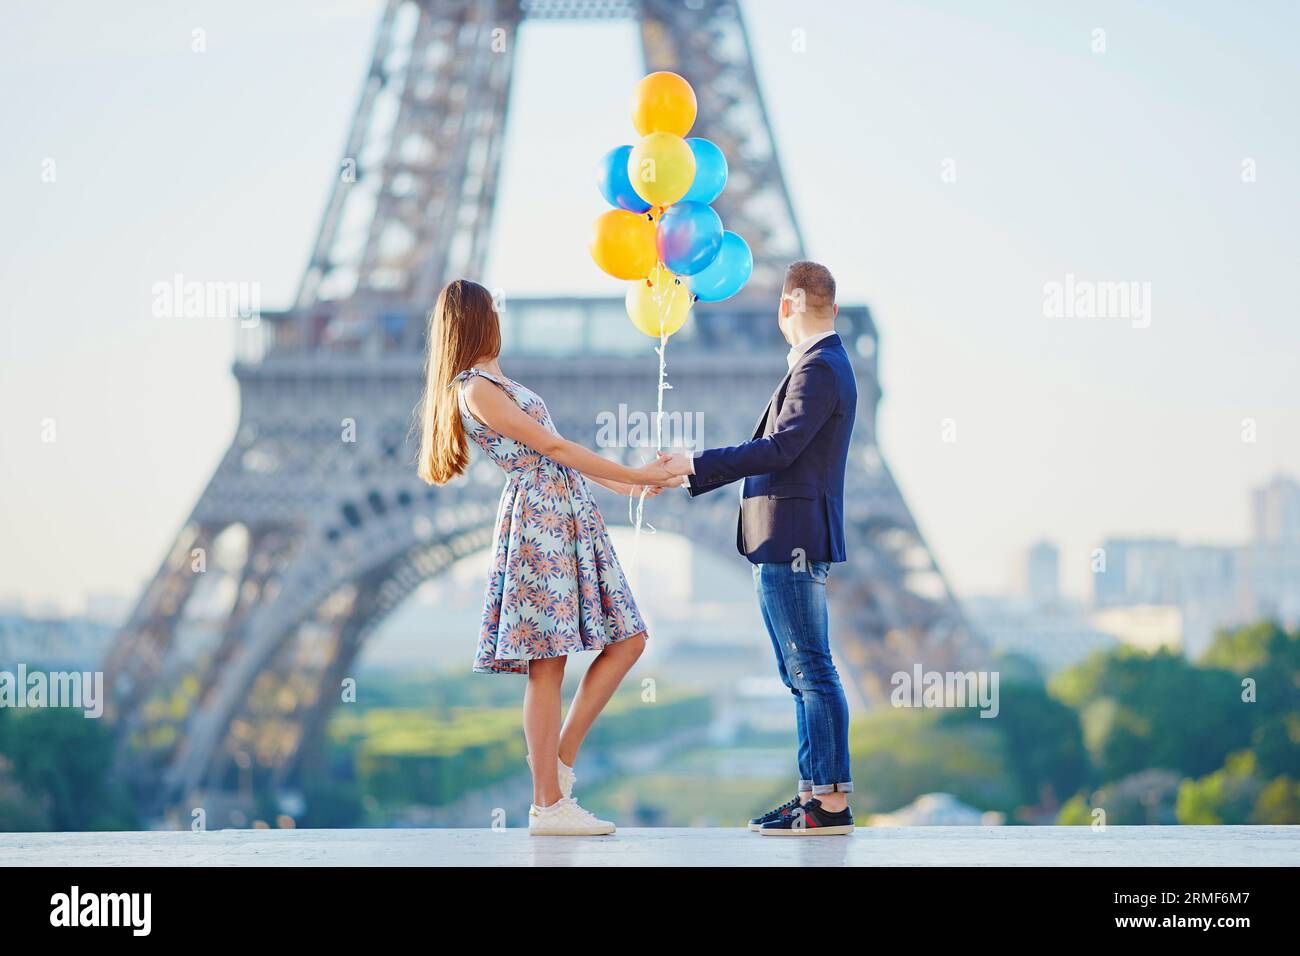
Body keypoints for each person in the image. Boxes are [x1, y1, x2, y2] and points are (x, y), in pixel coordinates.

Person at [416, 279, 674, 835]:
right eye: (493, 311)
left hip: (567, 513)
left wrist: (630, 488)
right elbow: (553, 450)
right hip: (539, 522)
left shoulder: (496, 382)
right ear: (479, 320)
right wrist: (633, 474)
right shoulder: (475, 388)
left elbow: (560, 457)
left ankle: (555, 769)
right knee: (548, 662)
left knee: (629, 639)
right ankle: (548, 804)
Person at [658, 260, 858, 836]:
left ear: (786, 306)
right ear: (831, 306)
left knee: (811, 671)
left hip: (790, 539)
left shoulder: (818, 368)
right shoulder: (821, 364)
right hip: (786, 537)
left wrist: (694, 464)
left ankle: (830, 804)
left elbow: (778, 450)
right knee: (799, 672)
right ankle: (813, 797)